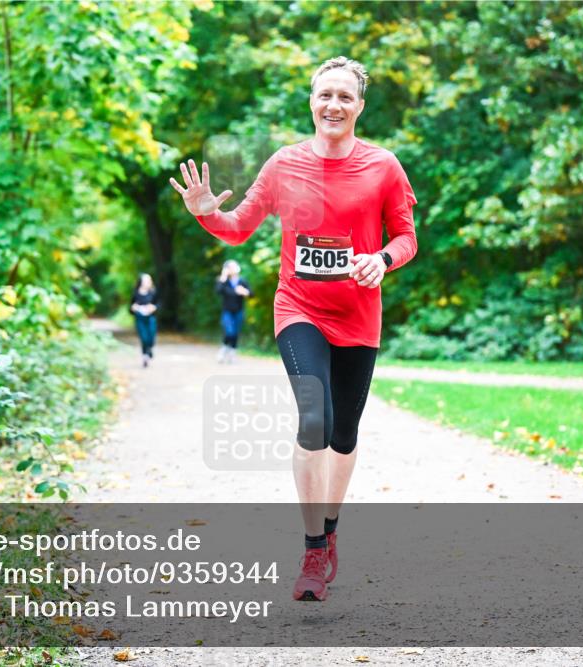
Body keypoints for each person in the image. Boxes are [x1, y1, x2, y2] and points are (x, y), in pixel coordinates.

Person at [169, 56, 418, 601]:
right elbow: (237, 228)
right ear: (311, 101)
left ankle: (330, 531)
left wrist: (382, 259)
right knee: (314, 418)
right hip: (299, 308)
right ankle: (311, 550)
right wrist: (205, 211)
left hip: (359, 316)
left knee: (344, 434)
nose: (334, 104)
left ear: (359, 106)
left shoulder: (383, 166)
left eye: (345, 96)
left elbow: (406, 236)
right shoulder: (284, 164)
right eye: (325, 94)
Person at [216, 260, 251, 363]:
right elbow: (218, 290)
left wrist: (245, 292)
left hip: (239, 311)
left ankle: (232, 354)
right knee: (229, 332)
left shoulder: (242, 281)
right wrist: (223, 276)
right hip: (227, 311)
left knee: (235, 332)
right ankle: (223, 350)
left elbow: (251, 293)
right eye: (231, 267)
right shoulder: (224, 282)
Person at [129, 273, 159, 368]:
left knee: (151, 338)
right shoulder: (136, 293)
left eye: (149, 280)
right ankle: (145, 356)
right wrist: (134, 308)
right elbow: (130, 308)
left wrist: (153, 307)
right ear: (141, 281)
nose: (148, 282)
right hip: (140, 318)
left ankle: (149, 350)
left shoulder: (153, 292)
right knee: (144, 338)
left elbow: (158, 304)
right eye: (146, 280)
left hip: (150, 318)